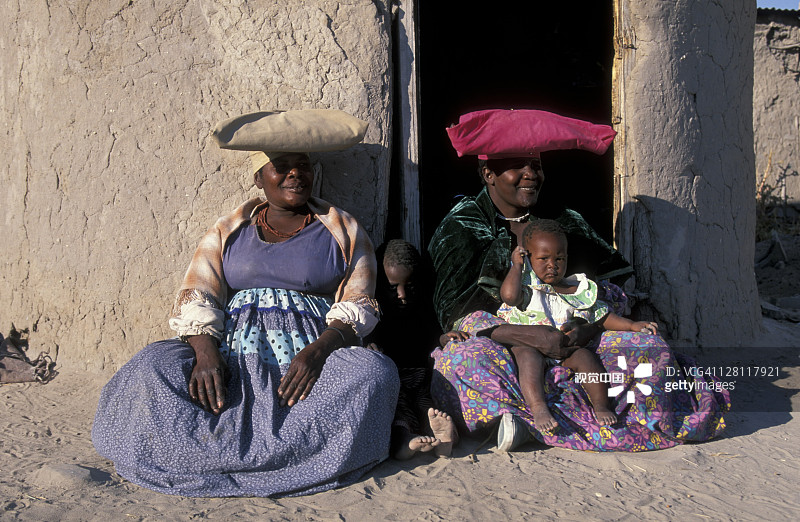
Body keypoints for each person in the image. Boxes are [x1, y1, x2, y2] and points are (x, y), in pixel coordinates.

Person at [92, 110, 400, 497]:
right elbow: (199, 294)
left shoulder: (341, 229)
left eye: (303, 166)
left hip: (311, 354)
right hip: (233, 351)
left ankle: (294, 456)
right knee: (151, 366)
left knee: (375, 373)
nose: (295, 175)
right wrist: (206, 354)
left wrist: (317, 353)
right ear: (259, 178)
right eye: (281, 167)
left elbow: (359, 302)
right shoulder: (230, 229)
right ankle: (210, 454)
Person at [428, 108, 730, 453]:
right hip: (504, 342)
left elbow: (604, 291)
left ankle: (537, 422)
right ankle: (530, 418)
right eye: (517, 166)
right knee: (463, 360)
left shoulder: (562, 221)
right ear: (488, 174)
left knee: (651, 350)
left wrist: (585, 328)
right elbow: (455, 310)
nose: (531, 175)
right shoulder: (463, 225)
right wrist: (525, 334)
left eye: (536, 165)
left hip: (576, 341)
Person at [498, 218, 659, 432]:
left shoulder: (576, 290)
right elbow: (509, 297)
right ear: (528, 257)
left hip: (566, 350)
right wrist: (517, 266)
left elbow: (601, 316)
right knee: (527, 357)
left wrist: (631, 326)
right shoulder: (527, 289)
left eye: (559, 258)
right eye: (543, 258)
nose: (552, 265)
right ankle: (538, 407)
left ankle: (601, 405)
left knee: (586, 358)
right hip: (531, 346)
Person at [368, 239, 459, 459]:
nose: (402, 294)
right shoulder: (373, 315)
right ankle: (403, 442)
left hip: (420, 378)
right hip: (394, 381)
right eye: (393, 287)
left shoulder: (424, 308)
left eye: (408, 286)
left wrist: (443, 338)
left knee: (429, 408)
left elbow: (432, 335)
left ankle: (442, 440)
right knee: (399, 411)